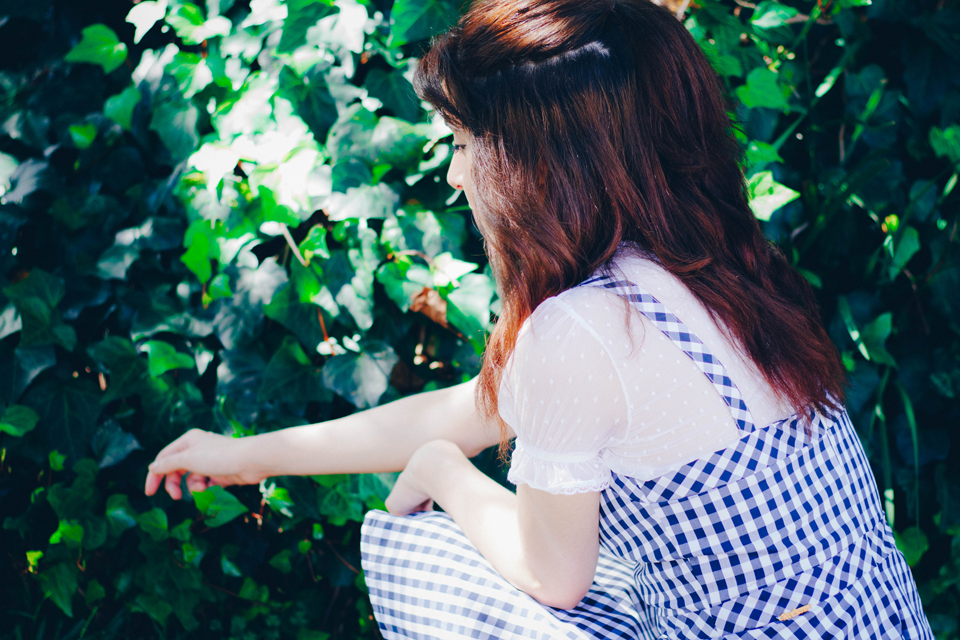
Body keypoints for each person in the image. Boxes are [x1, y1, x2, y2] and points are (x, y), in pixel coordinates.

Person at [146, 0, 934, 637]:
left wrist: (441, 472)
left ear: (543, 165)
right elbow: (476, 407)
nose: (455, 175)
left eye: (461, 142)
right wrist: (250, 456)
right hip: (879, 620)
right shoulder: (712, 269)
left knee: (420, 551)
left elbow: (555, 577)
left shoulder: (584, 330)